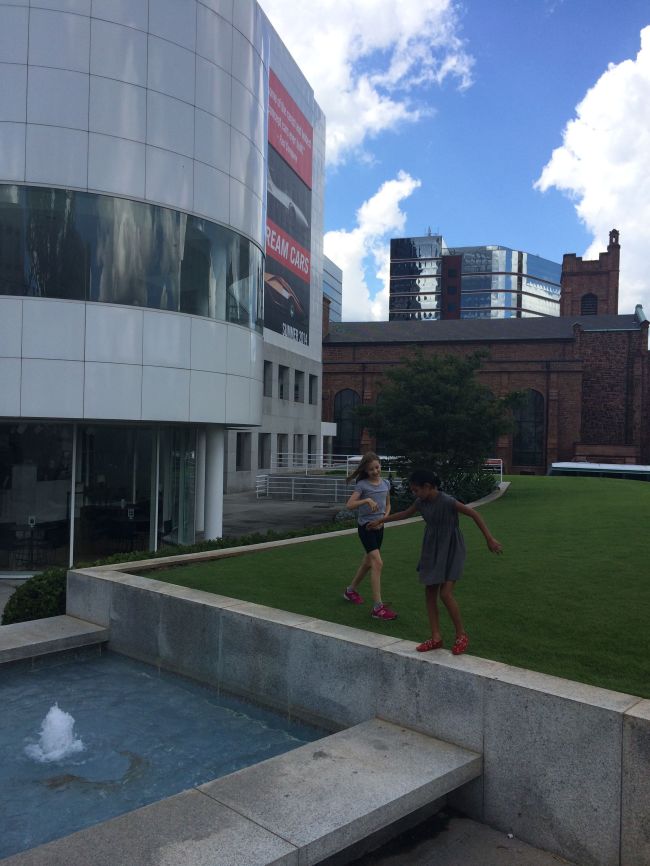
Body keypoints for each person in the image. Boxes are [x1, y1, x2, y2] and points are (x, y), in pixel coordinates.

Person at [369, 468, 501, 654]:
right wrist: (381, 521)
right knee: (430, 593)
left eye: (416, 490)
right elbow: (405, 513)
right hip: (432, 548)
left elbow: (474, 514)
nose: (414, 494)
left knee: (445, 594)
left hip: (451, 547)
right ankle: (436, 637)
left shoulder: (447, 501)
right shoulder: (420, 502)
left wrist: (489, 539)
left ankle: (461, 635)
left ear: (428, 486)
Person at [343, 452, 397, 620]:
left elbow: (388, 505)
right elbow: (349, 505)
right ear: (365, 471)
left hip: (379, 528)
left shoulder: (386, 483)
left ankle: (350, 591)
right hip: (366, 528)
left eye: (377, 467)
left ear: (380, 465)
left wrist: (383, 519)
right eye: (371, 469)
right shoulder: (362, 485)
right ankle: (378, 608)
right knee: (377, 563)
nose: (375, 471)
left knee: (368, 563)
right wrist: (366, 500)